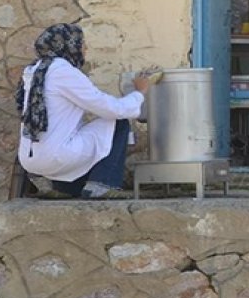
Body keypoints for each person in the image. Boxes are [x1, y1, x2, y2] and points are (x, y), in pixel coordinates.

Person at [14, 23, 151, 199]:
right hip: (56, 157)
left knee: (76, 137)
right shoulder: (63, 71)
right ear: (69, 45)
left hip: (29, 160)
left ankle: (63, 188)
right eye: (82, 43)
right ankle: (101, 185)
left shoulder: (34, 70)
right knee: (119, 123)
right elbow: (111, 109)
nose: (86, 48)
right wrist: (139, 93)